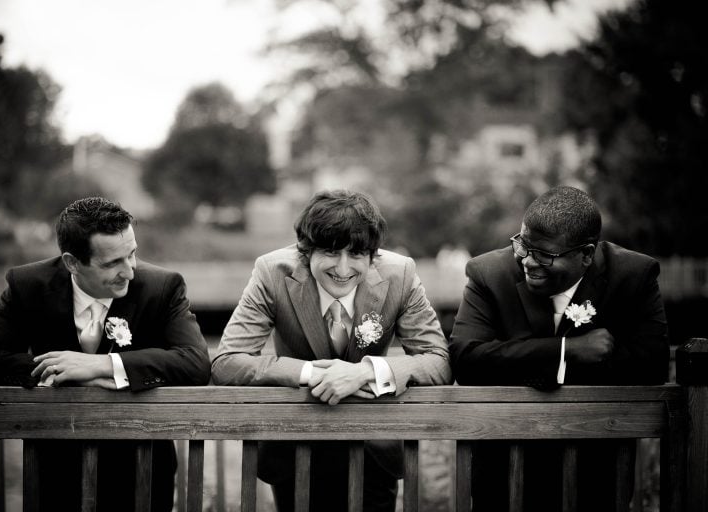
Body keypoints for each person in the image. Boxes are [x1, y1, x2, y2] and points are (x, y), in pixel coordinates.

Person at [212, 189, 451, 512]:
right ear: (306, 251)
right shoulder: (272, 272)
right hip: (294, 448)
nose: (343, 268)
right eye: (330, 252)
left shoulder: (401, 274)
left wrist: (364, 372)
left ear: (372, 255)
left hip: (374, 450)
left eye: (356, 255)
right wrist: (312, 373)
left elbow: (438, 360)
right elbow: (227, 362)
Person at [0, 197, 211, 512]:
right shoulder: (27, 285)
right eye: (113, 263)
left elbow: (195, 362)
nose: (130, 272)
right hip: (56, 467)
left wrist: (101, 365)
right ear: (72, 262)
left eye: (132, 254)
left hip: (143, 468)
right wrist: (60, 370)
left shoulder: (162, 287)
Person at [449, 185, 669, 511]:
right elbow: (466, 360)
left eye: (545, 255)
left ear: (586, 254)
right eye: (523, 245)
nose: (528, 261)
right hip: (503, 470)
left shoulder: (633, 276)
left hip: (597, 466)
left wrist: (519, 361)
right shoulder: (489, 274)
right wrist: (566, 351)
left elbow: (650, 366)